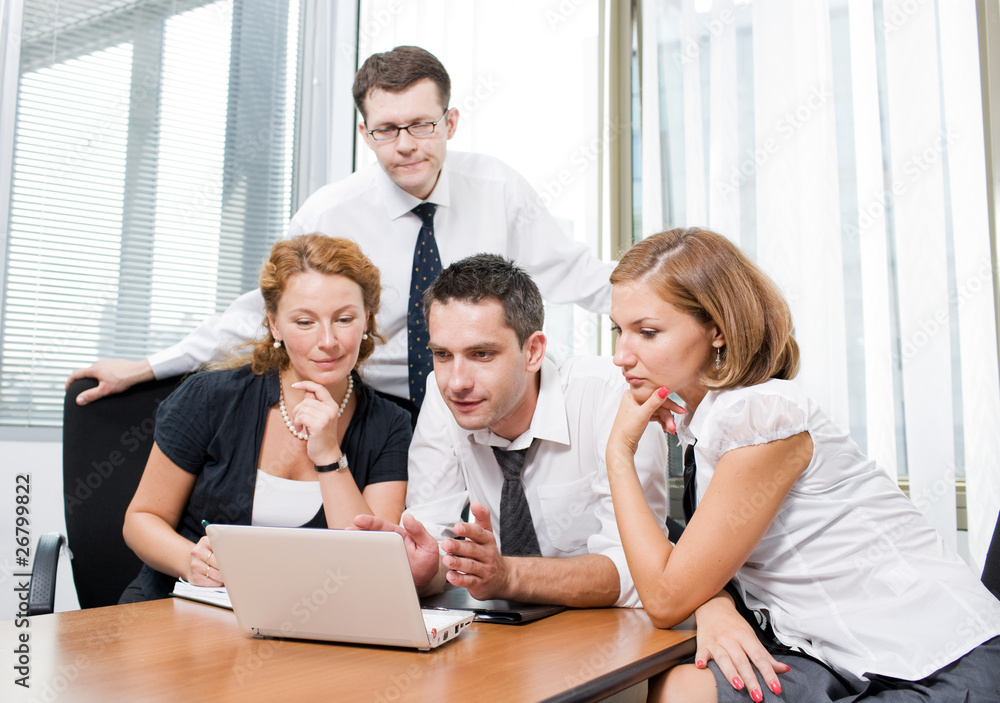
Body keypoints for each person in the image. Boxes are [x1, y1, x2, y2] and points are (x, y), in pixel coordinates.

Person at [67, 45, 614, 411]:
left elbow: (580, 276)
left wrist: (684, 311)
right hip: (385, 412)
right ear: (364, 132)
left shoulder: (498, 188)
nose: (405, 145)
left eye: (422, 125)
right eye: (386, 129)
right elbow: (260, 313)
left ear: (449, 122)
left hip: (489, 405)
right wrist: (148, 366)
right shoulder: (331, 214)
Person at [605, 227, 1000, 702]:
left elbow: (667, 598)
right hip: (831, 653)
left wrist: (618, 457)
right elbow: (695, 569)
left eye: (647, 332)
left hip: (937, 661)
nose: (621, 356)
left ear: (718, 331)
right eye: (618, 331)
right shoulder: (704, 425)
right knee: (679, 687)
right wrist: (715, 605)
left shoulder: (761, 415)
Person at [355, 253, 667, 608]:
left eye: (482, 354)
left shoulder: (610, 395)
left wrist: (509, 576)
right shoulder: (442, 396)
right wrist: (428, 569)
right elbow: (434, 535)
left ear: (533, 351)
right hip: (506, 639)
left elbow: (640, 571)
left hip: (617, 633)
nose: (456, 382)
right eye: (442, 354)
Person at [120, 234, 411, 602]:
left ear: (367, 320)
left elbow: (371, 565)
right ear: (274, 325)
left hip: (307, 625)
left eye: (344, 319)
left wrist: (328, 457)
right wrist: (188, 560)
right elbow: (141, 519)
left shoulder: (390, 426)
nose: (328, 341)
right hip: (181, 607)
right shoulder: (210, 398)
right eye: (304, 322)